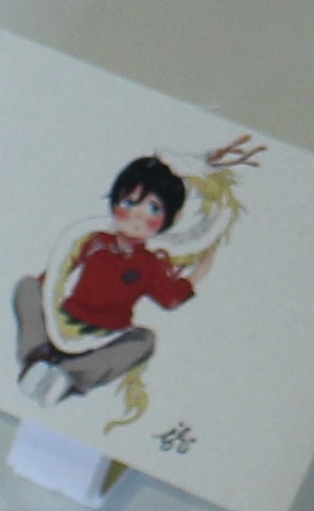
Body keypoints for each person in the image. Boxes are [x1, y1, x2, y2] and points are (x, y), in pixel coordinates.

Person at [19, 145, 255, 407]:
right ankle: (35, 360)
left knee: (144, 340)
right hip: (65, 318)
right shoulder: (95, 239)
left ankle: (69, 376)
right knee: (28, 286)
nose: (138, 215)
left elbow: (169, 299)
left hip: (105, 336)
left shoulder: (150, 264)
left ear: (172, 218)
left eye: (153, 209)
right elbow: (61, 267)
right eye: (130, 203)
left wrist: (196, 275)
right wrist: (44, 296)